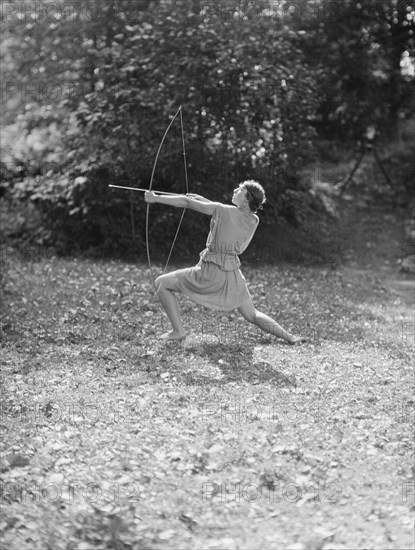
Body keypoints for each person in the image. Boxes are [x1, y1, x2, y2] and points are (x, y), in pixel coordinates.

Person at [144, 180, 306, 344]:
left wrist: (156, 198)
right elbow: (226, 214)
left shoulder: (222, 210)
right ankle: (289, 337)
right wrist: (204, 201)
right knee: (252, 314)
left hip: (210, 272)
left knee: (161, 283)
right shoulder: (254, 220)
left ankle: (178, 331)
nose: (235, 190)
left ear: (247, 199)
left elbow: (188, 202)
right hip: (233, 276)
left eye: (240, 189)